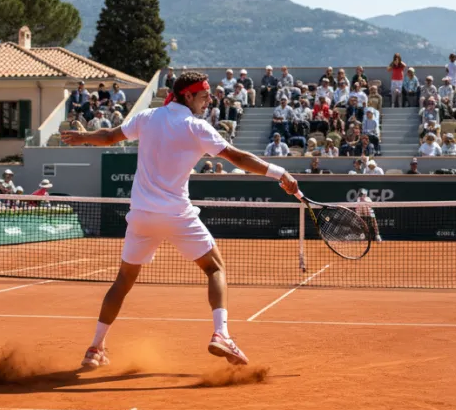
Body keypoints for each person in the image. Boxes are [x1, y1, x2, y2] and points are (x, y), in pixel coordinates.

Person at [60, 71, 299, 369]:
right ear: (187, 96)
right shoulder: (196, 127)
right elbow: (237, 157)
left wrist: (82, 137)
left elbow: (109, 136)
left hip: (142, 216)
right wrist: (281, 173)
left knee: (123, 280)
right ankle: (222, 334)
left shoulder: (147, 117)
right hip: (175, 214)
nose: (210, 100)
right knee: (215, 268)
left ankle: (95, 348)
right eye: (204, 95)